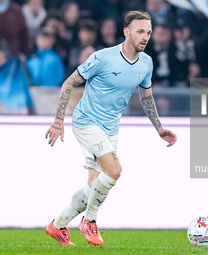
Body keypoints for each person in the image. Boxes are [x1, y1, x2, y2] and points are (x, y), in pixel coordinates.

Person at [45, 10, 177, 246]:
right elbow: (69, 82)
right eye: (140, 32)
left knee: (93, 187)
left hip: (111, 127)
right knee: (114, 171)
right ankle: (90, 221)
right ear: (126, 32)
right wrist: (58, 121)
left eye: (148, 32)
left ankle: (57, 226)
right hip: (86, 121)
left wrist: (159, 128)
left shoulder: (146, 63)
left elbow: (146, 98)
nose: (145, 36)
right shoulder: (102, 58)